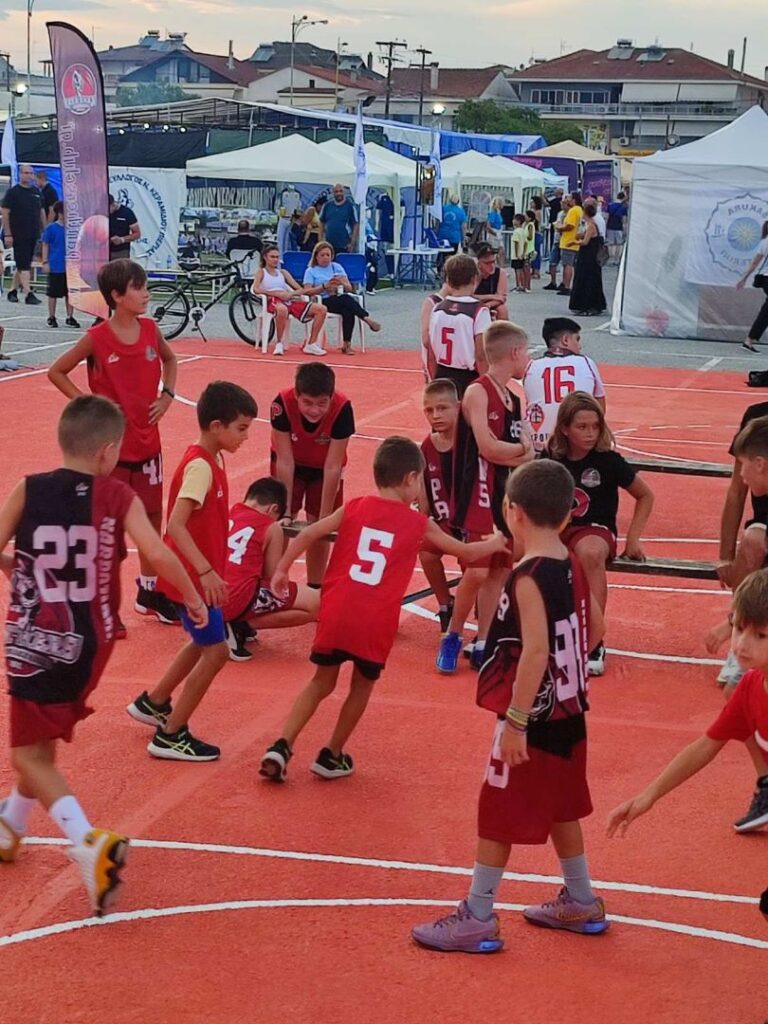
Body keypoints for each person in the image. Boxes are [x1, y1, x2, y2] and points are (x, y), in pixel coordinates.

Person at [0, 395, 206, 914]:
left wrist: (21, 569)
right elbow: (156, 552)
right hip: (93, 641)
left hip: (36, 637)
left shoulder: (29, 488)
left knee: (26, 753)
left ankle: (88, 842)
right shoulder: (117, 495)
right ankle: (11, 823)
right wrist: (194, 598)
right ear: (107, 451)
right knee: (40, 742)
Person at [412, 460, 607, 953]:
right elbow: (596, 630)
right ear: (567, 515)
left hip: (531, 717)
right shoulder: (571, 563)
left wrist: (517, 721)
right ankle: (581, 899)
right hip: (570, 712)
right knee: (563, 805)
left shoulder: (528, 577)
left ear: (512, 511)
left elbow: (535, 652)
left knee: (496, 810)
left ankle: (477, 915)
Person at [258, 436, 507, 782]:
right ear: (410, 479)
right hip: (374, 620)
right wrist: (497, 541)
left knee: (320, 682)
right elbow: (464, 552)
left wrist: (282, 569)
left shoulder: (356, 506)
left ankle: (282, 744)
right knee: (361, 686)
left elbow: (307, 534)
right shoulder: (418, 523)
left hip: (337, 609)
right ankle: (332, 753)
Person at [126, 380, 258, 762]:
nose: (246, 437)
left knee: (202, 641)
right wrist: (205, 571)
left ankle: (155, 701)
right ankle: (170, 735)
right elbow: (176, 525)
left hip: (194, 579)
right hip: (191, 580)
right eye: (241, 428)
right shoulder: (201, 466)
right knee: (216, 654)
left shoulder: (211, 458)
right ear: (216, 426)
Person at [48, 259, 179, 633]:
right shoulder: (98, 337)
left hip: (147, 443)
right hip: (110, 451)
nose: (147, 294)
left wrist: (167, 395)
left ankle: (149, 592)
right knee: (108, 529)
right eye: (139, 288)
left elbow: (170, 360)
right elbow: (56, 371)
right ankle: (103, 603)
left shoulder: (151, 330)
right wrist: (89, 404)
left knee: (151, 518)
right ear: (117, 296)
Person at [608, 568, 768, 856]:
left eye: (761, 635)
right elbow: (705, 746)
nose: (742, 644)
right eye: (739, 628)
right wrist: (648, 796)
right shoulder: (749, 687)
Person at [438, 321, 533, 674]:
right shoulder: (478, 391)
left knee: (499, 570)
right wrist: (520, 449)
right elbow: (488, 449)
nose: (528, 359)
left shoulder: (514, 399)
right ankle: (452, 635)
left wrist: (517, 452)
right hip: (475, 488)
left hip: (504, 493)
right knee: (477, 571)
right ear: (515, 352)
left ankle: (484, 641)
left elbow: (526, 456)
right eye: (526, 352)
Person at [546, 392, 654, 676]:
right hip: (558, 529)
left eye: (595, 426)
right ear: (565, 428)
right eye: (582, 427)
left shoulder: (608, 461)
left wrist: (633, 539)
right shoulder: (551, 458)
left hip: (595, 528)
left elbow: (645, 495)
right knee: (514, 550)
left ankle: (593, 639)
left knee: (590, 552)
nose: (590, 433)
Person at [270, 362, 354, 587]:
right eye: (307, 402)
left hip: (324, 466)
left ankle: (315, 586)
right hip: (291, 462)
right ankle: (272, 581)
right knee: (280, 521)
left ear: (331, 397)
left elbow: (333, 466)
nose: (314, 410)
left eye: (321, 403)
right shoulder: (281, 403)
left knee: (319, 523)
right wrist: (286, 509)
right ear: (296, 395)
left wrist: (325, 519)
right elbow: (285, 461)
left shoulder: (343, 409)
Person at [223, 477, 320, 661]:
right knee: (316, 603)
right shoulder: (270, 527)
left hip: (210, 596)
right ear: (272, 509)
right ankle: (238, 624)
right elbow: (271, 577)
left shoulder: (227, 514)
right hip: (237, 598)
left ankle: (233, 623)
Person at [710, 406, 768, 688]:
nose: (741, 472)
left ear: (759, 465)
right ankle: (745, 642)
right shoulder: (757, 421)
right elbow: (736, 490)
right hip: (762, 527)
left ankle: (745, 633)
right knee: (754, 538)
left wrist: (731, 623)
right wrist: (725, 556)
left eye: (744, 464)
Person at [523, 317, 606, 452]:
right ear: (566, 340)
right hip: (575, 443)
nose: (579, 346)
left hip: (539, 443)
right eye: (577, 339)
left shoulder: (531, 366)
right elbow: (599, 406)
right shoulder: (586, 362)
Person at [426, 254, 491, 396]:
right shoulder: (479, 310)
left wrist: (433, 380)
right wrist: (488, 388)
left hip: (442, 372)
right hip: (468, 376)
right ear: (474, 278)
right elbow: (481, 356)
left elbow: (431, 352)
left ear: (448, 280)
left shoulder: (437, 308)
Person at [303, 242, 380, 356]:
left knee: (347, 309)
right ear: (316, 256)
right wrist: (324, 286)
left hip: (337, 297)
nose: (325, 258)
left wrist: (341, 282)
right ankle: (366, 318)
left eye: (328, 255)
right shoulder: (311, 271)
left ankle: (346, 344)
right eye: (322, 255)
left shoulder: (336, 267)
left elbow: (349, 288)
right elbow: (307, 291)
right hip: (321, 300)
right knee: (346, 300)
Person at [251, 244, 327, 357]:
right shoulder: (261, 272)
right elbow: (256, 289)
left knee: (321, 309)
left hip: (289, 299)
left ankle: (311, 344)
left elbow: (300, 289)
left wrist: (290, 294)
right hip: (273, 300)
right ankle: (279, 343)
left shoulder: (283, 273)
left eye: (277, 257)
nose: (275, 260)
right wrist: (276, 294)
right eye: (272, 257)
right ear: (265, 257)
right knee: (282, 310)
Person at [1, 163, 45, 305]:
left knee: (24, 263)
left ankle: (13, 290)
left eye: (31, 173)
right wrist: (8, 234)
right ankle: (28, 293)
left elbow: (41, 211)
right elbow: (5, 213)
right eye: (26, 173)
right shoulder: (13, 193)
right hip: (18, 233)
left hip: (33, 232)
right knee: (24, 264)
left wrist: (44, 229)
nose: (29, 175)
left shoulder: (36, 192)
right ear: (20, 174)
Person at [41, 200, 79, 329]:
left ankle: (70, 316)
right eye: (63, 213)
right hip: (56, 264)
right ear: (59, 213)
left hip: (71, 265)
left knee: (70, 293)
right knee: (53, 293)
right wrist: (45, 261)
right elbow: (45, 244)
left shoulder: (73, 229)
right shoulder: (51, 228)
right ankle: (51, 316)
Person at [569, 201, 606, 316]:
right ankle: (586, 305)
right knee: (587, 278)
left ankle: (587, 305)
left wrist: (574, 242)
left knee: (586, 279)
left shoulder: (591, 225)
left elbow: (585, 242)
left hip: (589, 256)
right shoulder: (590, 224)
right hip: (588, 256)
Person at [736, 221, 768, 353]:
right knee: (766, 312)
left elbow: (755, 263)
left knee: (766, 312)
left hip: (766, 280)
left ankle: (749, 341)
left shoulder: (764, 242)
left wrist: (744, 278)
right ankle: (749, 340)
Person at [473, 242, 509, 320]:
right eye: (487, 263)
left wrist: (488, 305)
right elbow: (469, 296)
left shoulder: (500, 273)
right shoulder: (472, 273)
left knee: (502, 310)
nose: (491, 266)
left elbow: (502, 298)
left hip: (490, 303)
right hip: (472, 303)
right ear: (478, 263)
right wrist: (492, 296)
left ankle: (503, 327)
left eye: (493, 262)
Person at [319, 183, 359, 254]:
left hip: (344, 245)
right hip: (328, 246)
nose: (339, 193)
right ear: (333, 193)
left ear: (344, 192)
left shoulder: (350, 206)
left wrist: (352, 243)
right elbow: (321, 222)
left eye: (341, 191)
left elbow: (355, 225)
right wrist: (320, 240)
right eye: (336, 191)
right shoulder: (327, 206)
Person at [557, 192, 583, 296]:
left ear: (574, 200)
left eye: (569, 198)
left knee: (567, 265)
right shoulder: (580, 210)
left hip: (568, 241)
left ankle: (566, 286)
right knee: (572, 265)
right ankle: (570, 285)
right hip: (575, 242)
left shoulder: (573, 210)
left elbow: (570, 225)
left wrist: (560, 227)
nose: (567, 200)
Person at [436, 193, 467, 265]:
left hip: (442, 235)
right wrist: (463, 239)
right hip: (454, 237)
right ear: (458, 201)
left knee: (441, 254)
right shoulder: (461, 211)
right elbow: (463, 227)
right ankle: (448, 269)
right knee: (451, 257)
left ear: (450, 200)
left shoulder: (443, 208)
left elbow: (437, 222)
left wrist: (436, 233)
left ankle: (439, 269)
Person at [108, 194, 140, 262]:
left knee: (120, 268)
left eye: (107, 208)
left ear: (113, 204)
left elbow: (137, 234)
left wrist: (122, 240)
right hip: (102, 251)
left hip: (120, 252)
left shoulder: (127, 212)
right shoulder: (99, 211)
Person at [543, 189, 564, 291]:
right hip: (557, 235)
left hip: (560, 236)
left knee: (562, 260)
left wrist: (542, 196)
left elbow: (546, 204)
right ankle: (554, 281)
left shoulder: (556, 202)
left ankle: (561, 282)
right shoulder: (560, 212)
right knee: (553, 259)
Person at [605, 191, 628, 264]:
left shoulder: (610, 205)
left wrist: (605, 227)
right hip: (619, 227)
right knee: (619, 244)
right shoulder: (623, 207)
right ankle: (616, 259)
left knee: (610, 243)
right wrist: (624, 230)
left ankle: (610, 259)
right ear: (623, 198)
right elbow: (624, 220)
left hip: (610, 226)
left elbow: (607, 217)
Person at [510, 214, 528, 293]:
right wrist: (523, 253)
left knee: (517, 270)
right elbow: (526, 243)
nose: (513, 221)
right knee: (521, 270)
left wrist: (517, 254)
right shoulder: (523, 231)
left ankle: (518, 286)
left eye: (515, 219)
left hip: (516, 255)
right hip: (522, 255)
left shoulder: (516, 232)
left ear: (518, 221)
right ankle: (523, 285)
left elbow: (516, 243)